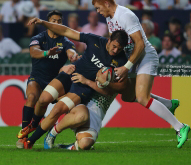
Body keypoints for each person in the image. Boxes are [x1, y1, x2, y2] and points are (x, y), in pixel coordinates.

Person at [92, 0, 190, 148]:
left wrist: (126, 67)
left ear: (106, 3)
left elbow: (140, 44)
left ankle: (180, 127)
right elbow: (117, 45)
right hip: (132, 59)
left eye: (98, 7)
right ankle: (168, 103)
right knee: (128, 96)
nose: (97, 11)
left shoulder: (125, 15)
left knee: (142, 97)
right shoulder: (109, 19)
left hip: (145, 57)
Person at [16, 18, 128, 149]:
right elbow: (65, 30)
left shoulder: (121, 61)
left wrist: (88, 81)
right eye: (114, 46)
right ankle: (34, 125)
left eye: (119, 49)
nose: (115, 51)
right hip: (70, 74)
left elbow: (122, 87)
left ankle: (31, 141)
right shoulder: (95, 40)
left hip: (83, 87)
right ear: (109, 40)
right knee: (43, 100)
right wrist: (42, 22)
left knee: (57, 110)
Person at [16, 10, 78, 147]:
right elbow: (34, 52)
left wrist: (72, 55)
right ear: (47, 23)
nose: (56, 24)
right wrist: (46, 52)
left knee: (69, 105)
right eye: (53, 21)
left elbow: (71, 50)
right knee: (32, 97)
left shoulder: (64, 41)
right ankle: (23, 136)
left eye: (59, 21)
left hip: (55, 82)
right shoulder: (39, 38)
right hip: (38, 78)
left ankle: (54, 134)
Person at [44, 70, 127, 150]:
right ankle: (53, 133)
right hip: (80, 104)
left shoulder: (122, 73)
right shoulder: (96, 62)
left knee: (85, 144)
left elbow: (124, 95)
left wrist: (90, 81)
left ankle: (73, 147)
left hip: (96, 113)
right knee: (81, 116)